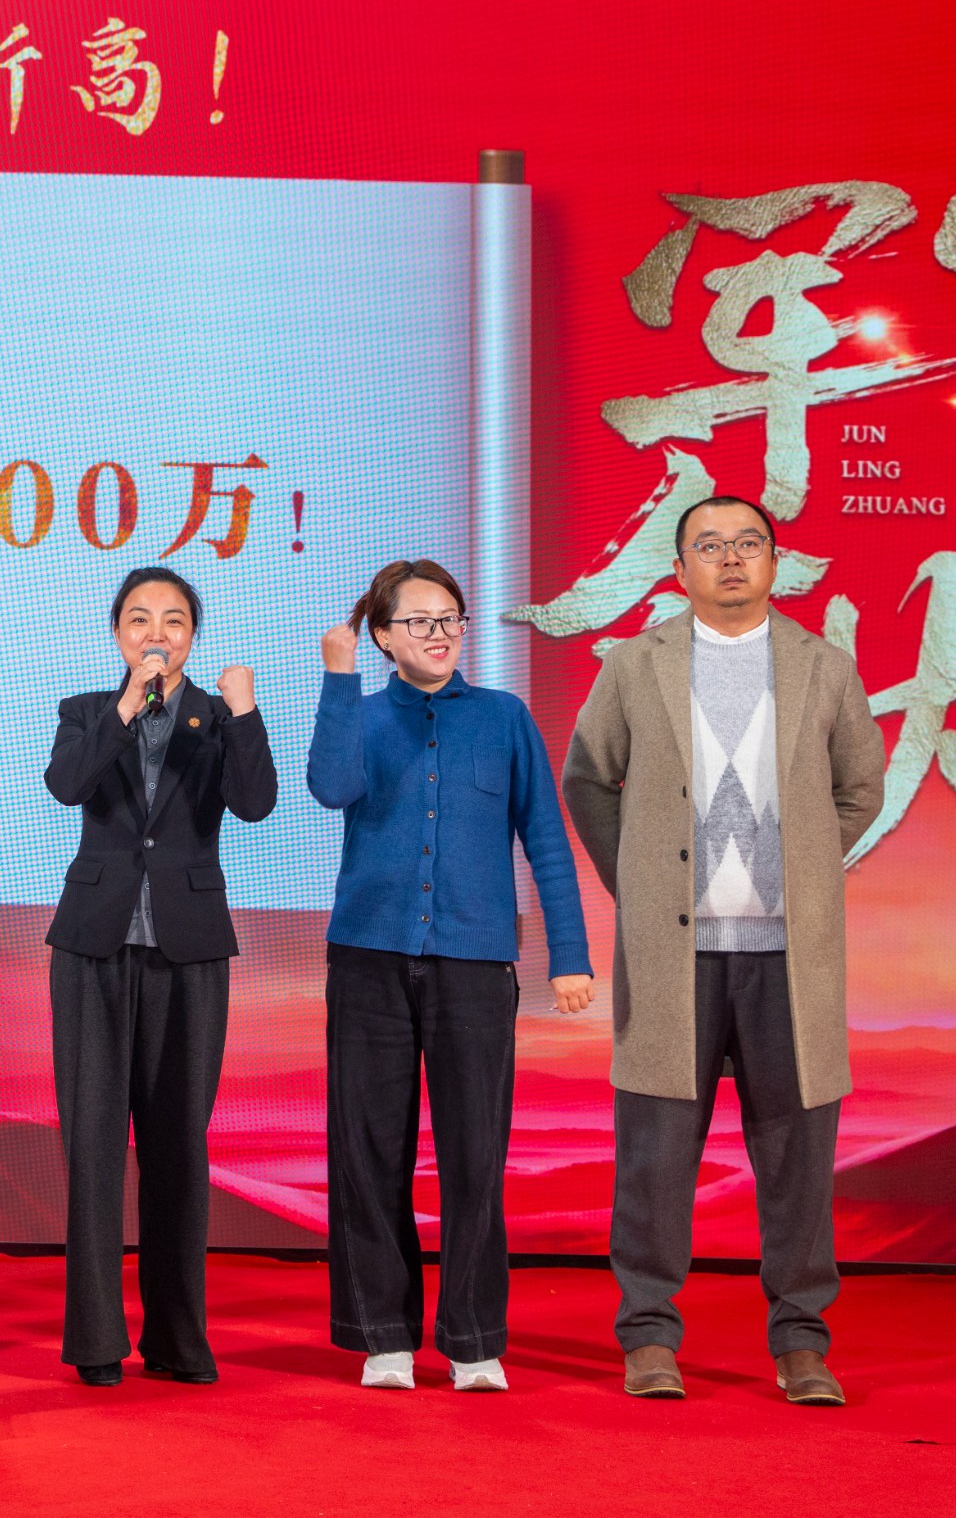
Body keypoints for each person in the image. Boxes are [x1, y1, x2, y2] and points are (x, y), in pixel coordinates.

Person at [561, 494, 883, 1407]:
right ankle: (649, 1334)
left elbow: (860, 788)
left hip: (790, 957)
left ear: (776, 562)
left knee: (797, 1156)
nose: (731, 558)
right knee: (656, 1154)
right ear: (680, 567)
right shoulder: (636, 663)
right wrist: (642, 886)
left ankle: (802, 1341)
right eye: (710, 545)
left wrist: (804, 867)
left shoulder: (824, 666)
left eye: (749, 543)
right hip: (677, 957)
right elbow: (588, 779)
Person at [308, 558, 591, 1393]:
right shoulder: (359, 713)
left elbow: (545, 839)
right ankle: (383, 1333)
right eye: (419, 621)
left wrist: (569, 954)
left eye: (450, 619)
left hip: (474, 966)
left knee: (475, 1154)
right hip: (368, 962)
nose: (439, 634)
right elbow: (330, 786)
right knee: (368, 1153)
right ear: (382, 636)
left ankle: (473, 1336)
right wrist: (337, 679)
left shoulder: (504, 718)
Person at [44, 566, 274, 1387]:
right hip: (94, 945)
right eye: (140, 619)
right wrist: (124, 707)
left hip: (189, 947)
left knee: (178, 1145)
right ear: (118, 634)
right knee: (94, 1145)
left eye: (174, 620)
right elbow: (66, 784)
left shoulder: (218, 715)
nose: (157, 632)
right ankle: (97, 1341)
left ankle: (178, 1339)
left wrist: (246, 713)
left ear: (192, 636)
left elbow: (255, 802)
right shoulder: (85, 710)